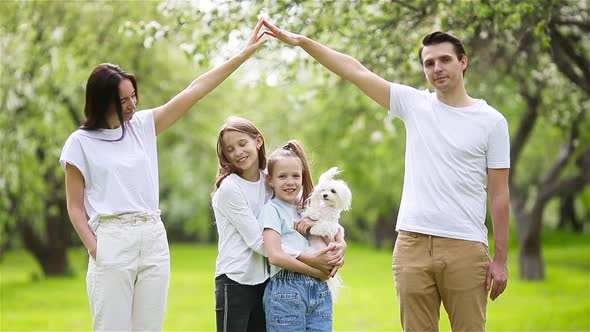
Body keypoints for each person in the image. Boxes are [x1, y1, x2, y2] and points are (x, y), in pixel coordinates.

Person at [262, 20, 510, 331]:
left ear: (463, 62)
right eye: (429, 63)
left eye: (445, 59)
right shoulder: (415, 104)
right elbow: (355, 71)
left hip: (465, 246)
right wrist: (302, 42)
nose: (437, 68)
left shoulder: (491, 121)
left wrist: (500, 259)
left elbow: (500, 195)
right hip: (411, 245)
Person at [59, 19, 271, 332]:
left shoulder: (143, 127)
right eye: (123, 100)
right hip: (112, 238)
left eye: (134, 96)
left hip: (153, 236)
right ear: (102, 101)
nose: (132, 105)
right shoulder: (80, 143)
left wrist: (241, 55)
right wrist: (96, 248)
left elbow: (195, 90)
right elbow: (75, 206)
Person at [212, 118, 345, 332]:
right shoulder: (230, 188)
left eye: (242, 143)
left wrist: (339, 241)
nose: (238, 152)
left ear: (258, 141)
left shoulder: (273, 178)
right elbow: (259, 242)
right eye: (230, 149)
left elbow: (310, 210)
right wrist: (312, 264)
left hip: (268, 278)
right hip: (237, 279)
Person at [258, 140, 344, 332]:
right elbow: (275, 255)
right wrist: (317, 270)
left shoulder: (308, 208)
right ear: (270, 180)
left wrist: (340, 247)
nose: (290, 182)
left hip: (319, 291)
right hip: (287, 289)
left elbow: (333, 229)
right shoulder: (271, 210)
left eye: (295, 176)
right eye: (282, 177)